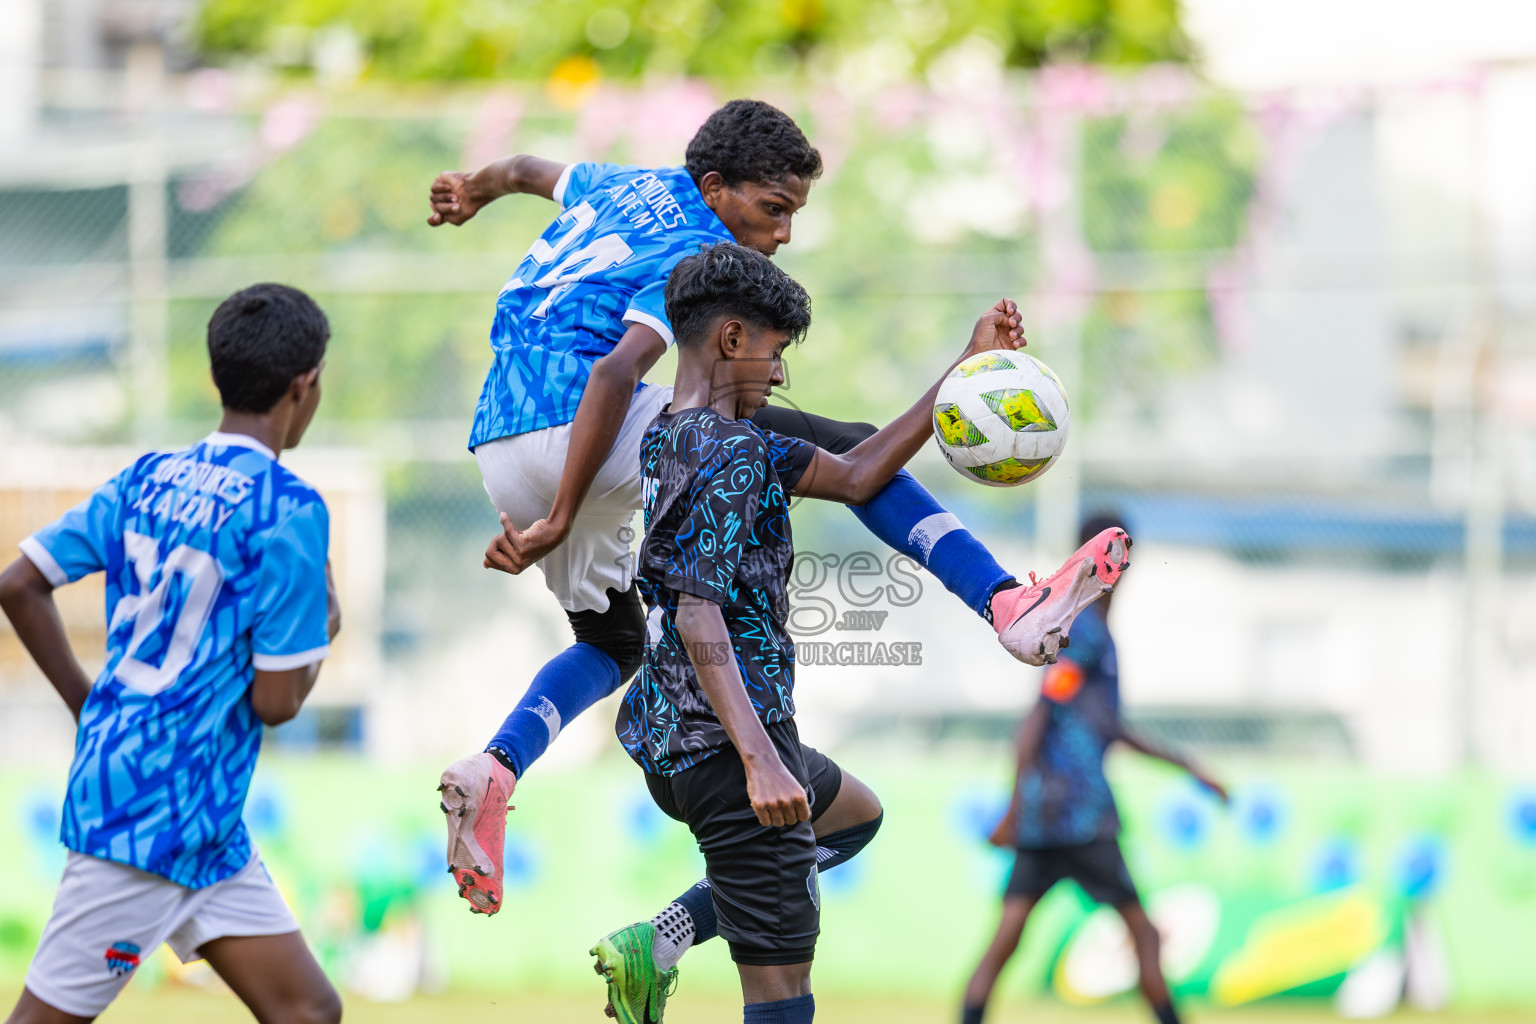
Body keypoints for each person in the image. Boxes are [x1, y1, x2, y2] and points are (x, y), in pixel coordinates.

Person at [428, 100, 1124, 935]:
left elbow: (528, 171)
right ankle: (1007, 603)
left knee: (609, 642)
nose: (784, 232)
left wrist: (474, 187)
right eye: (774, 208)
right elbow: (617, 374)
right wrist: (564, 514)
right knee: (851, 454)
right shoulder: (698, 244)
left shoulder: (620, 184)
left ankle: (497, 767)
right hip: (585, 420)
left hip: (501, 437)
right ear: (714, 188)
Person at [595, 243, 1132, 1024]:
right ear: (733, 339)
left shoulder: (675, 437)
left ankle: (662, 939)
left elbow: (855, 473)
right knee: (782, 1004)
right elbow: (695, 609)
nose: (780, 375)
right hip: (735, 751)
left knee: (854, 815)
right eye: (776, 354)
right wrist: (759, 764)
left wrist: (963, 369)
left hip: (667, 737)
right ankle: (675, 930)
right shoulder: (734, 452)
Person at [0, 285, 343, 1024]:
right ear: (304, 385)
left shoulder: (147, 476)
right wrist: (326, 628)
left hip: (201, 819)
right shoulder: (288, 508)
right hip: (156, 816)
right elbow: (276, 703)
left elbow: (20, 583)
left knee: (309, 1010)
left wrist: (88, 704)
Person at [958, 513, 1227, 1024]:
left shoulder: (1088, 630)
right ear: (1108, 557)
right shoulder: (1083, 633)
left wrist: (1190, 768)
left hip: (1047, 818)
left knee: (1007, 939)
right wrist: (1012, 809)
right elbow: (1039, 718)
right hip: (1078, 816)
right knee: (1143, 933)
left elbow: (1107, 727)